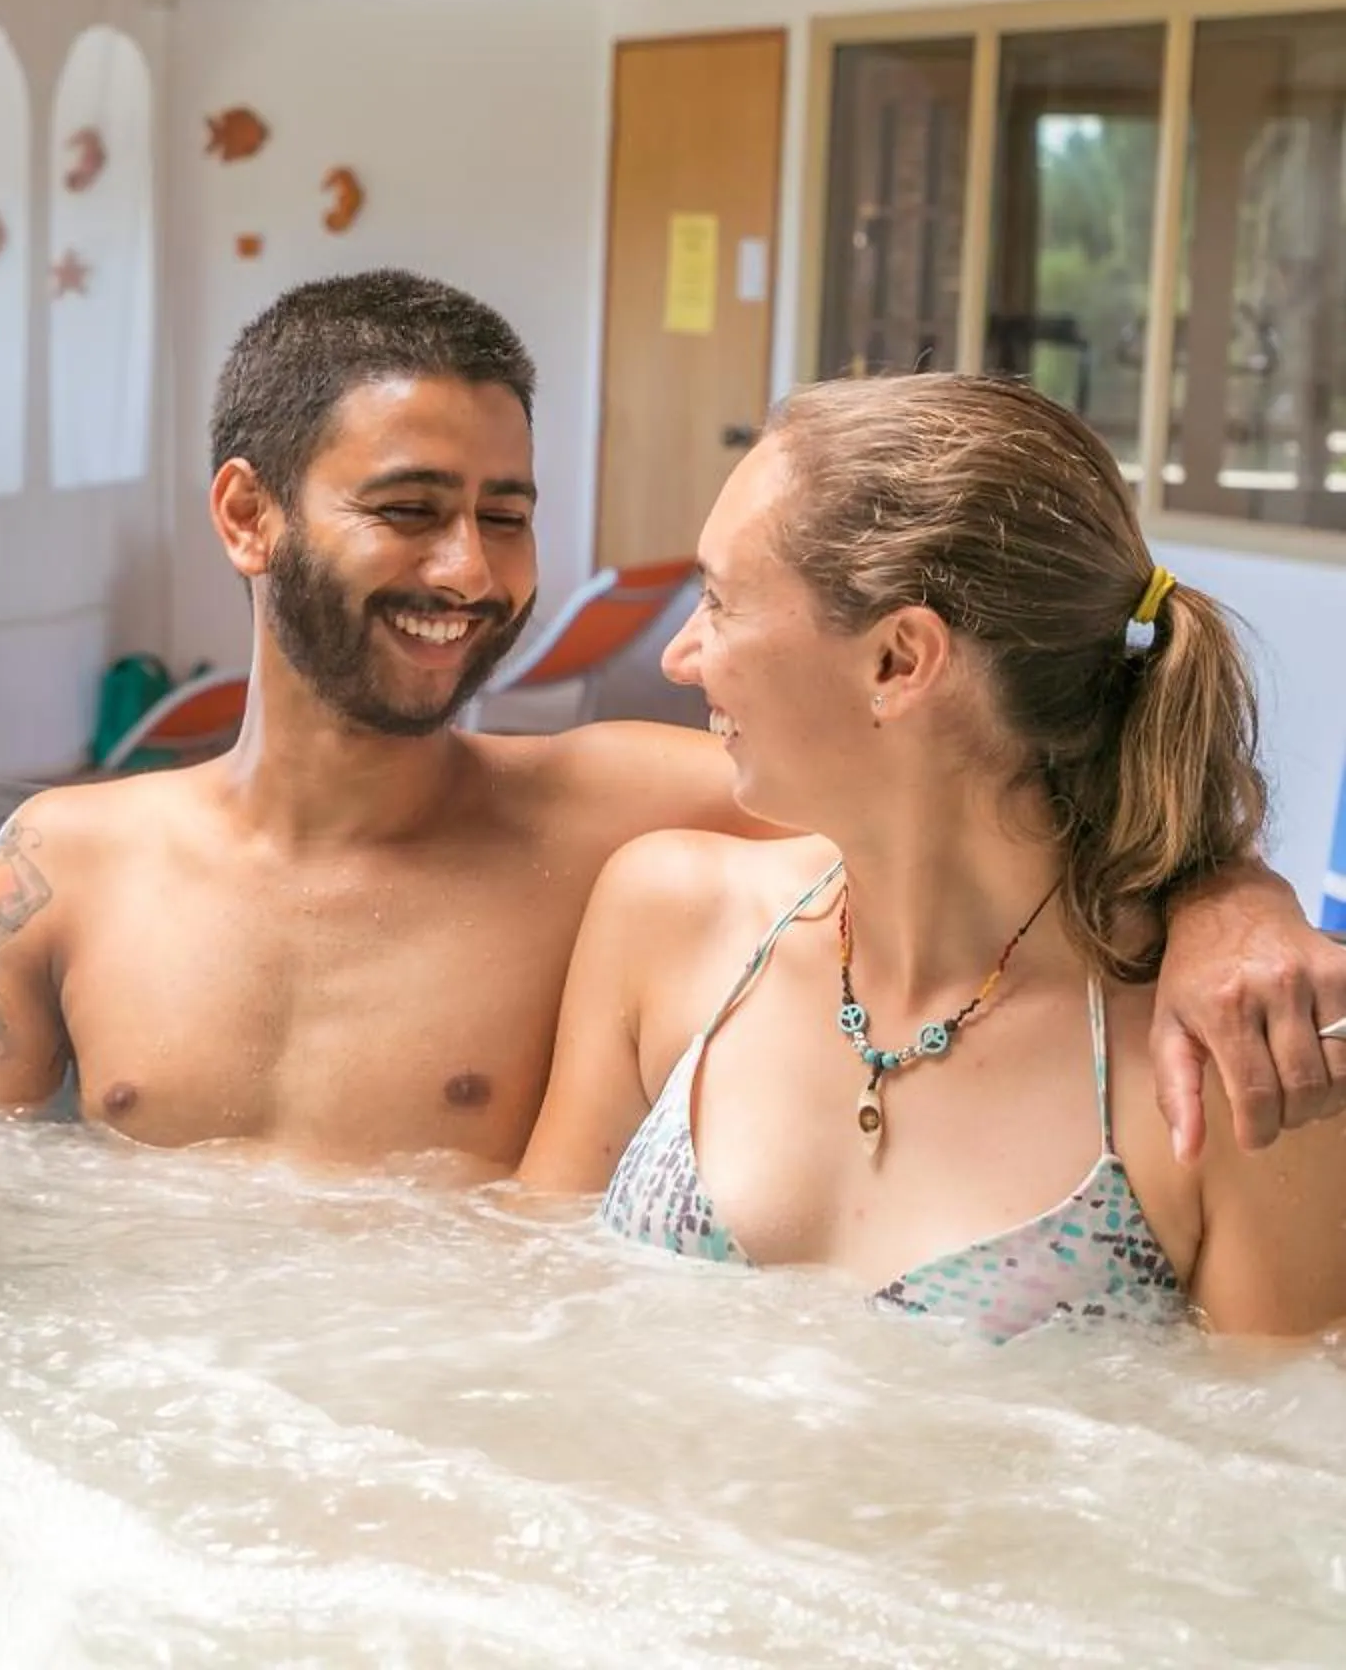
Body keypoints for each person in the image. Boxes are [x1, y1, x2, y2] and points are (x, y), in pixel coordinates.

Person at [0, 271, 1346, 1170]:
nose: (468, 571)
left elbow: (1010, 805)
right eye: (409, 511)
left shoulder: (620, 816)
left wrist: (1235, 898)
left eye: (505, 516)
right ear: (247, 515)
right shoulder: (68, 862)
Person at [518, 374, 1346, 1337]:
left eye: (720, 601)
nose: (682, 654)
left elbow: (1273, 1469)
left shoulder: (1237, 1074)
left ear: (899, 661)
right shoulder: (665, 922)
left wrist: (1233, 895)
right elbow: (528, 1320)